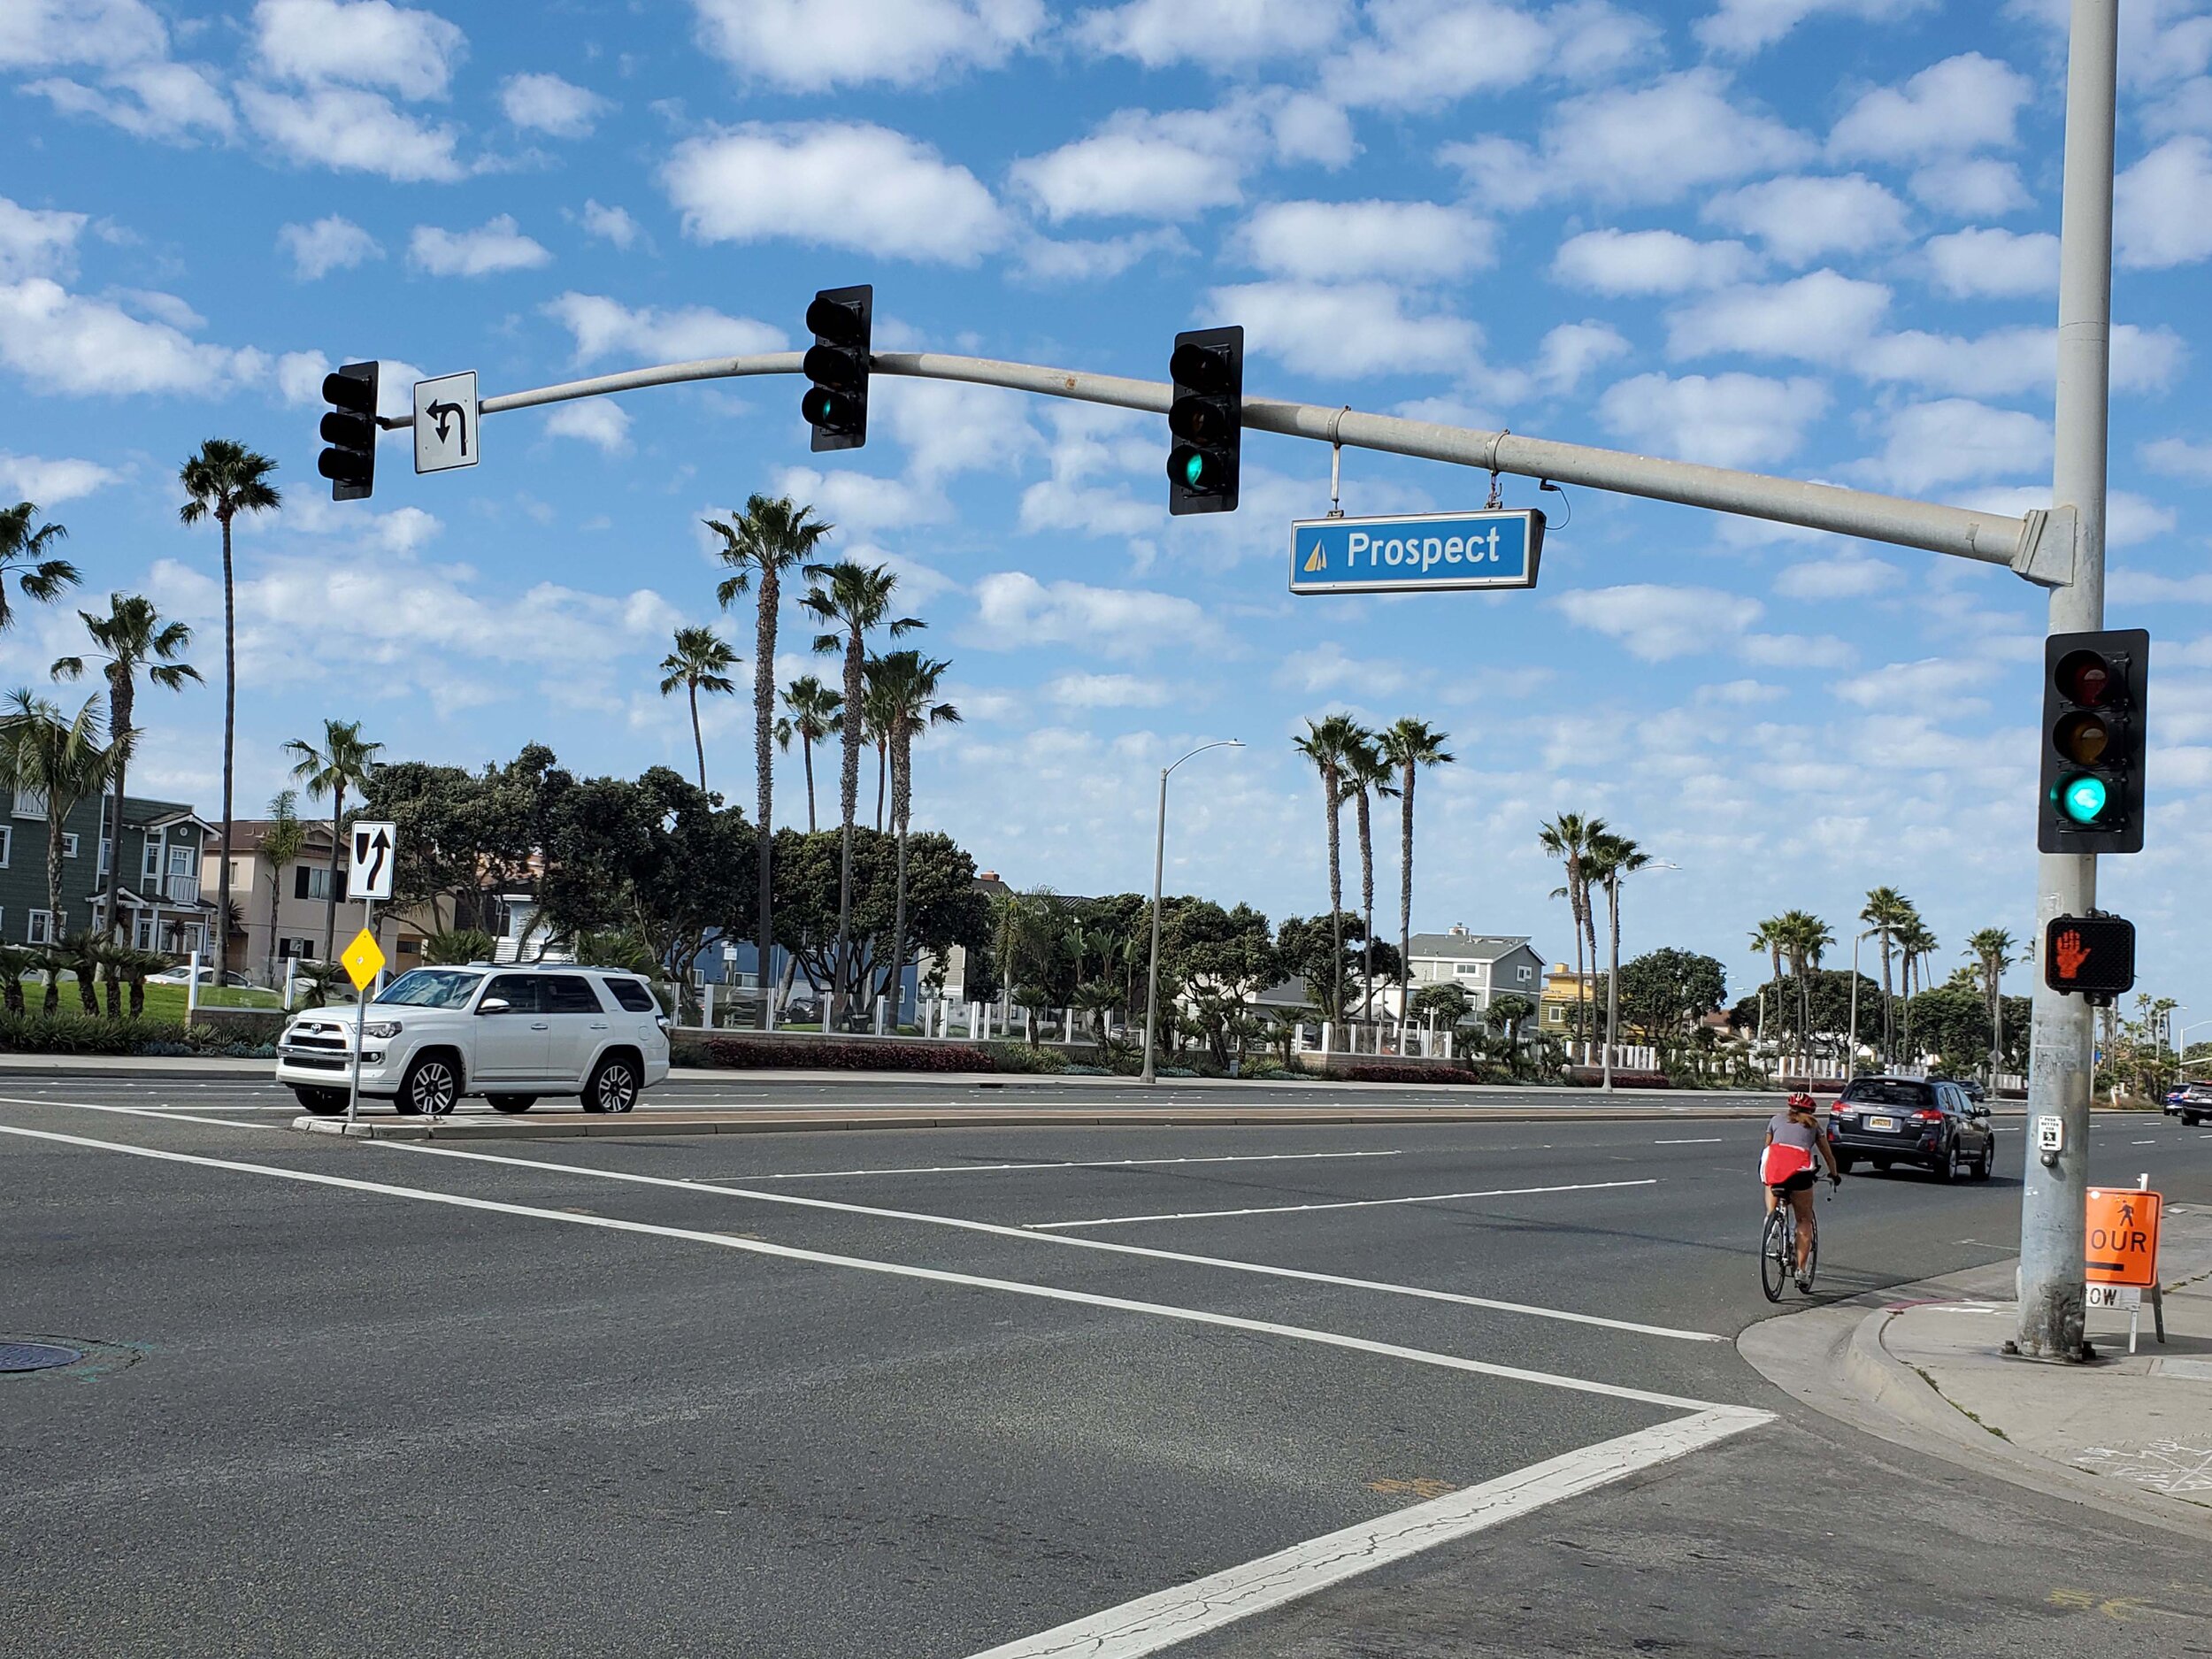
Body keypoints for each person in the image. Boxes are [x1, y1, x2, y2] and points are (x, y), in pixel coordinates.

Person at [1763, 1091, 1841, 1291]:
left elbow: (1768, 1148)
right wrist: (1834, 1174)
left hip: (1774, 1168)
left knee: (1773, 1196)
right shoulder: (1813, 1126)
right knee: (1804, 1220)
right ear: (1811, 1111)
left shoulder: (1775, 1120)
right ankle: (1801, 1270)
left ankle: (1771, 1224)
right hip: (1799, 1173)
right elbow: (1828, 1155)